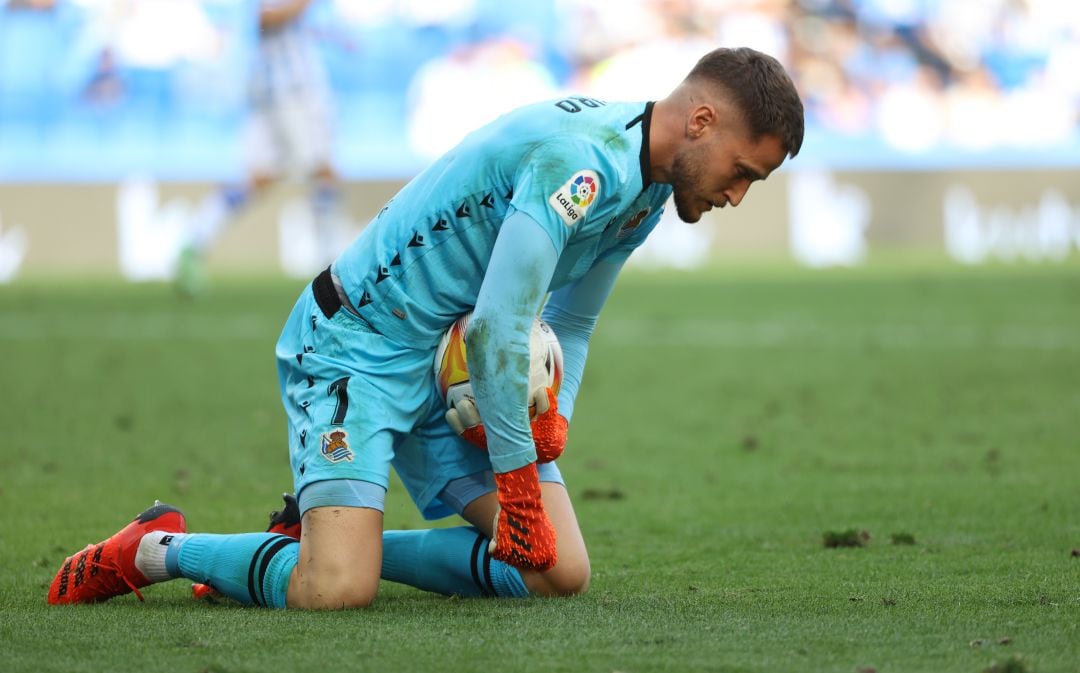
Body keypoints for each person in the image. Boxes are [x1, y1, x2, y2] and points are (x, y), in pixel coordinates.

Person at [49, 47, 804, 609]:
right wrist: (515, 481)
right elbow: (502, 325)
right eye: (744, 171)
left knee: (557, 571)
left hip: (452, 371)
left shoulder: (645, 187)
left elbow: (569, 320)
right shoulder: (581, 164)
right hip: (359, 346)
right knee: (336, 591)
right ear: (701, 121)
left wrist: (552, 430)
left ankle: (312, 542)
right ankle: (158, 549)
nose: (738, 194)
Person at [177, 0, 343, 296]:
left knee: (261, 178)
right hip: (294, 90)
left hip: (272, 88)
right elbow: (262, 18)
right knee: (321, 171)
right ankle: (331, 268)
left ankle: (197, 237)